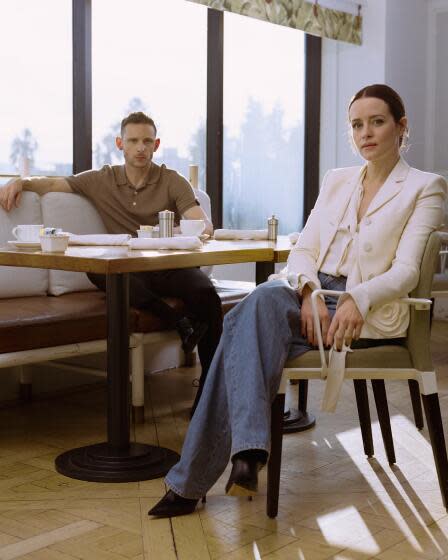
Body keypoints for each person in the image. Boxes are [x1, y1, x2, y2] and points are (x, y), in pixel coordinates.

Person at [147, 84, 447, 518]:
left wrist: (356, 298)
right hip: (311, 294)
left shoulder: (425, 187)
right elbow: (304, 250)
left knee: (240, 324)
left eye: (377, 122)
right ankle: (243, 453)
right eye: (357, 125)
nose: (366, 133)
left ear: (401, 127)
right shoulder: (337, 180)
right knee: (257, 306)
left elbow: (405, 272)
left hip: (365, 310)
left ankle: (204, 476)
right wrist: (307, 291)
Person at [0, 112, 223, 413]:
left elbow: (203, 224)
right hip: (131, 270)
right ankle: (177, 322)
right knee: (100, 272)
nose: (140, 148)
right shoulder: (102, 179)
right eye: (133, 141)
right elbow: (53, 183)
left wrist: (183, 231)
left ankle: (210, 390)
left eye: (147, 141)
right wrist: (21, 182)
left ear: (156, 145)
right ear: (120, 144)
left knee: (207, 294)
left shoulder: (173, 181)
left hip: (171, 265)